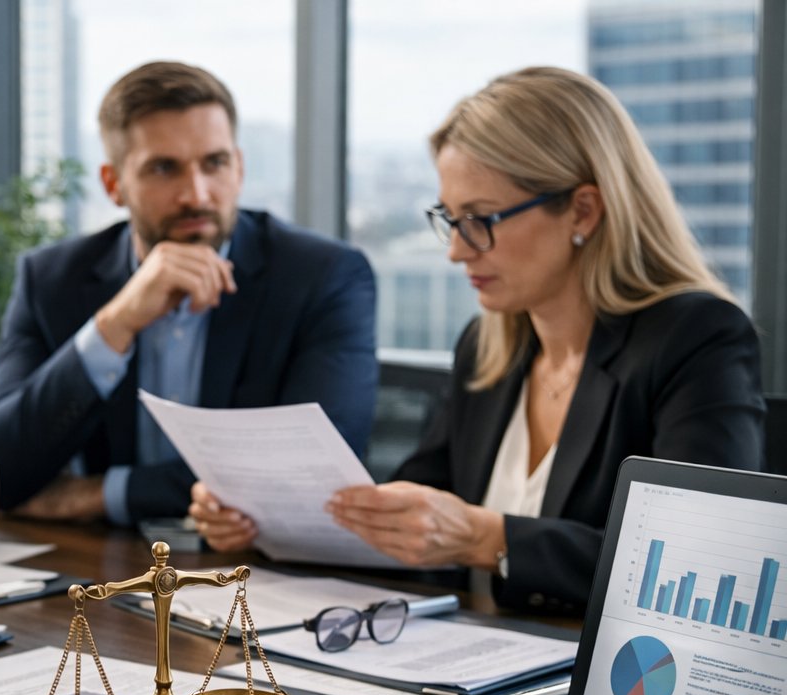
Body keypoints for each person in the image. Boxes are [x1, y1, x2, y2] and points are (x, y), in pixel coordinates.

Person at [190, 67, 765, 613]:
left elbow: (700, 567)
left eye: (482, 220)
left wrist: (486, 538)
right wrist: (264, 520)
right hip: (472, 683)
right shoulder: (487, 348)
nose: (458, 250)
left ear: (583, 210)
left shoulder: (695, 339)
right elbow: (418, 526)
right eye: (451, 218)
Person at [0, 61, 377, 526]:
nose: (196, 194)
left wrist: (98, 495)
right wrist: (114, 324)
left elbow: (311, 473)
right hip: (101, 572)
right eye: (164, 169)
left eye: (215, 163)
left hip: (258, 574)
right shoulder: (51, 280)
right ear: (113, 184)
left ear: (239, 167)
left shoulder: (323, 276)